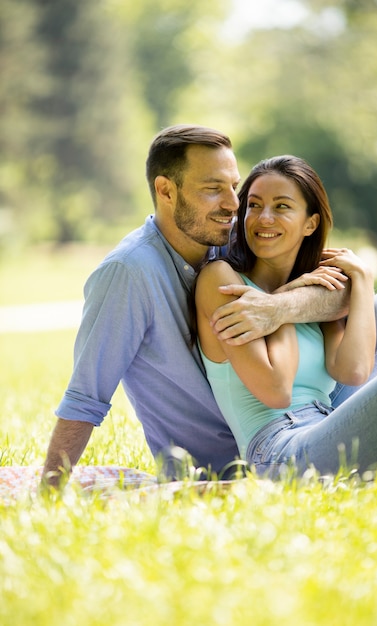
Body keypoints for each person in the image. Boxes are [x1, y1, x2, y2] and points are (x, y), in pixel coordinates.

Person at [42, 125, 352, 488]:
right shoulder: (127, 274)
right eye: (213, 189)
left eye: (234, 187)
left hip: (307, 424)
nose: (233, 204)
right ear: (165, 191)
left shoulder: (232, 236)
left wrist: (278, 307)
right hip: (220, 465)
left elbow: (342, 290)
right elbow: (85, 397)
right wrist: (48, 491)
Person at [195, 155, 377, 478]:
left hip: (327, 424)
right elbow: (277, 390)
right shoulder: (222, 280)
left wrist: (363, 281)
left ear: (310, 223)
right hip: (280, 452)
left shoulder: (310, 291)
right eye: (254, 206)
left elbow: (353, 371)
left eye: (281, 207)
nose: (264, 218)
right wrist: (282, 305)